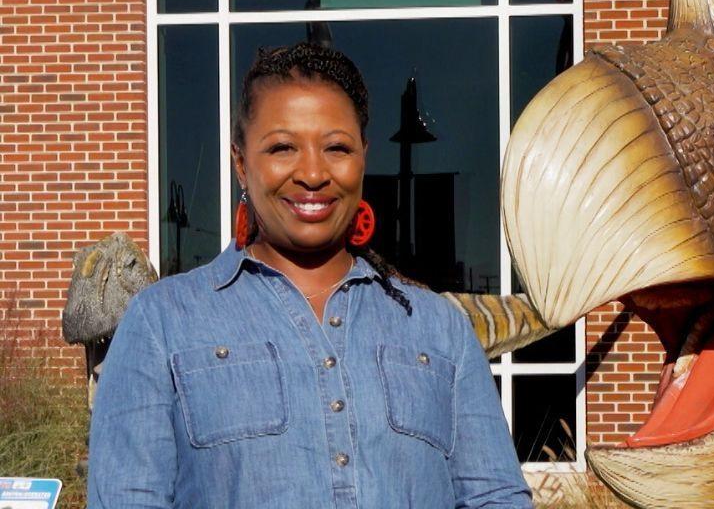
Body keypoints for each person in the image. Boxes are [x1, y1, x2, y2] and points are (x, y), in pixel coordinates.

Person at [87, 42, 533, 508]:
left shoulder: (439, 330)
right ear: (241, 162)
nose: (313, 173)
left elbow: (496, 498)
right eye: (282, 147)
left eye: (336, 147)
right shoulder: (163, 323)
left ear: (363, 155)